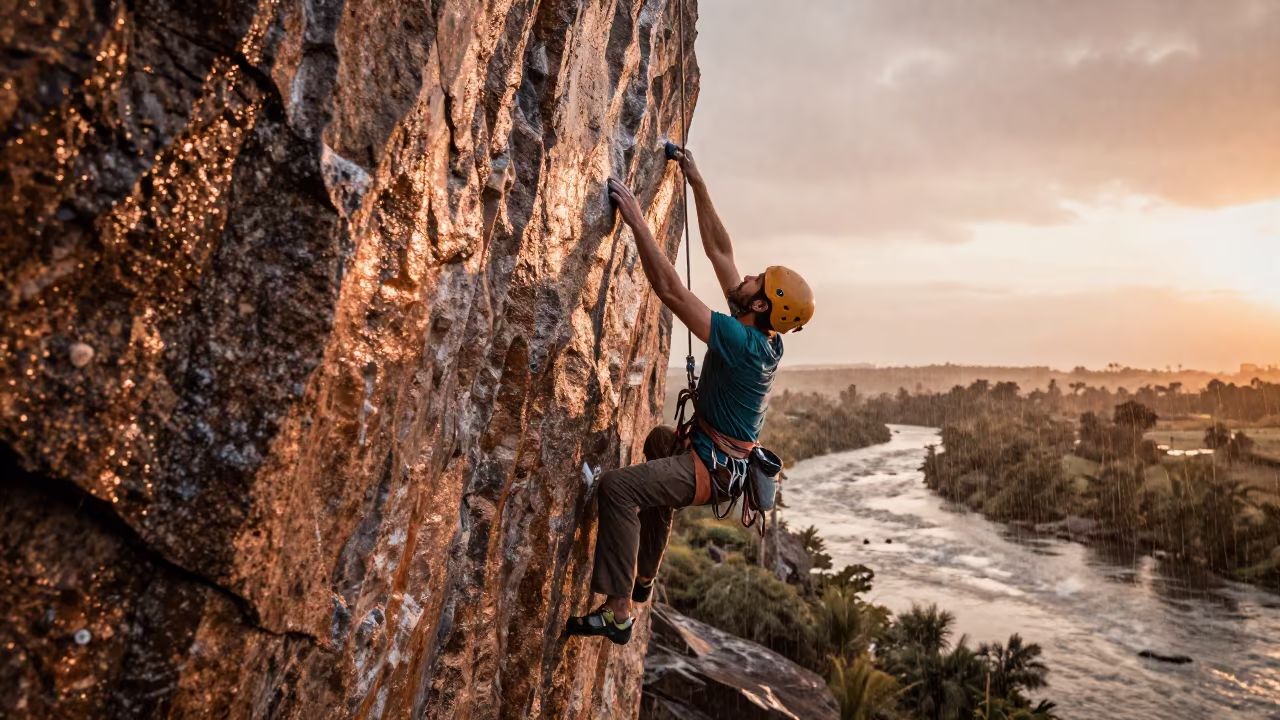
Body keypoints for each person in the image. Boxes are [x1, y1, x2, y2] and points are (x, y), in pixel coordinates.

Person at [566, 146, 814, 645]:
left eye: (755, 282)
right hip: (718, 462)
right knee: (660, 441)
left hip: (712, 468)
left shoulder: (743, 343)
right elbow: (720, 252)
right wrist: (697, 183)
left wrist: (636, 220)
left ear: (761, 303)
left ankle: (618, 615)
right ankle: (643, 576)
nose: (743, 278)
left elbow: (674, 294)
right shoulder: (765, 335)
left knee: (617, 488)